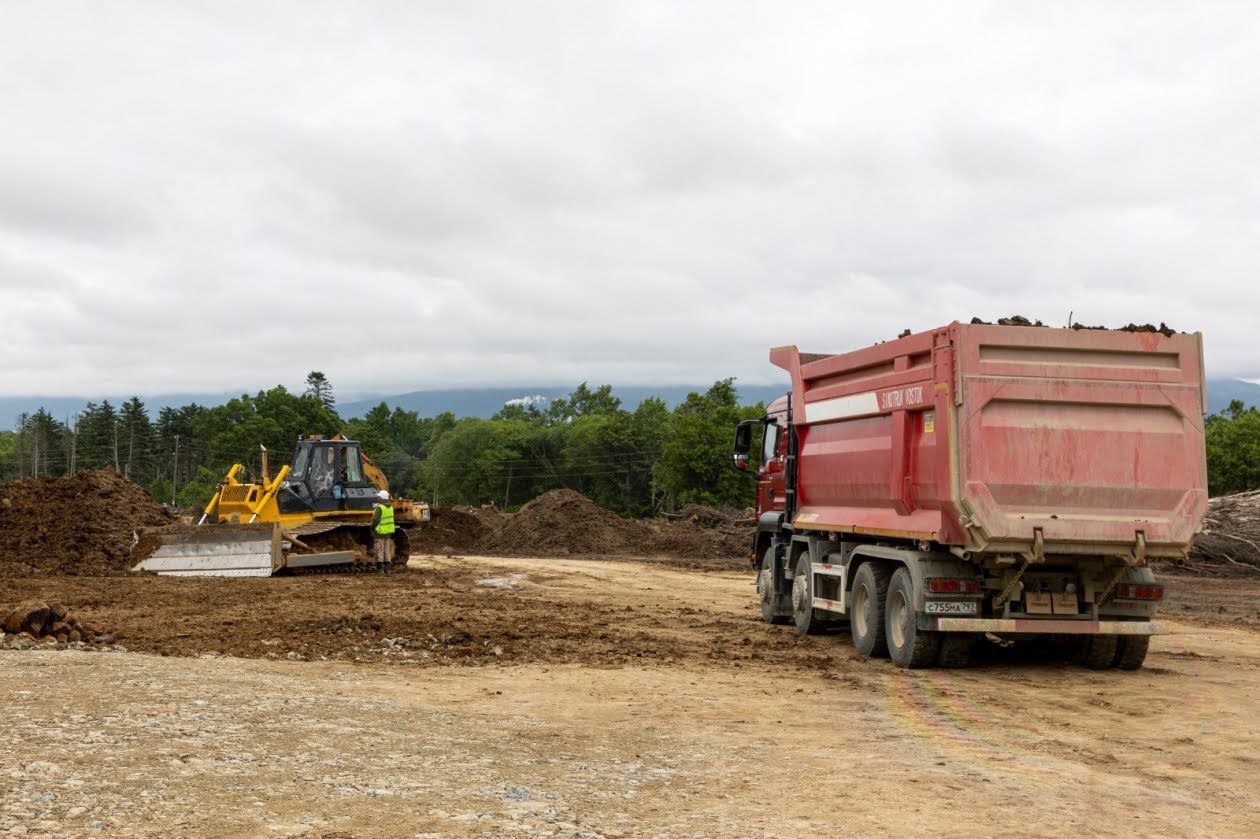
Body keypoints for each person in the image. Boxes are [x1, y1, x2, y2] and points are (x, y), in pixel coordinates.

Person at [371, 489, 395, 574]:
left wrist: (372, 528)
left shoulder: (380, 508)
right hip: (388, 533)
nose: (377, 498)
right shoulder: (391, 507)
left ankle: (380, 569)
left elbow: (375, 520)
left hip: (380, 532)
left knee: (379, 551)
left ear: (382, 498)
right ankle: (388, 569)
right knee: (386, 551)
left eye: (379, 497)